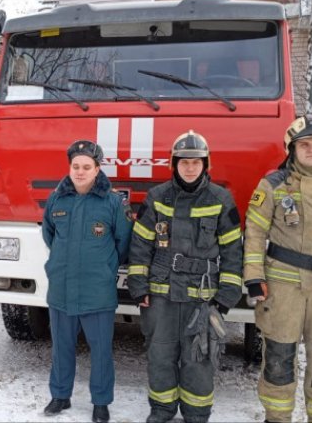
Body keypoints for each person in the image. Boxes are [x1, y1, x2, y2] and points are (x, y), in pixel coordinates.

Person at [128, 130, 242, 423]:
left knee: (199, 358)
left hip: (202, 299)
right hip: (162, 296)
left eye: (196, 162)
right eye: (183, 162)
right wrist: (139, 285)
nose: (189, 167)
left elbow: (233, 251)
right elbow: (140, 244)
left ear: (206, 164)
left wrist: (226, 298)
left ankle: (196, 413)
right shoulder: (157, 197)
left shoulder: (221, 199)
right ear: (174, 164)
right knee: (160, 355)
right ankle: (162, 409)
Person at [41, 140, 133, 423]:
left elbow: (123, 243)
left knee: (102, 350)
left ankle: (101, 402)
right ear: (70, 168)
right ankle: (60, 395)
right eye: (75, 166)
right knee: (62, 346)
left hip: (97, 290)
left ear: (97, 169)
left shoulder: (113, 202)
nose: (80, 172)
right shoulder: (57, 199)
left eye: (86, 167)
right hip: (62, 288)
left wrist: (104, 268)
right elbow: (49, 235)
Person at [243, 116, 312, 422]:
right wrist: (254, 278)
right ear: (292, 149)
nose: (310, 150)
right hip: (283, 289)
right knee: (279, 359)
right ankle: (278, 418)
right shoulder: (272, 185)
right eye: (304, 145)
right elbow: (255, 233)